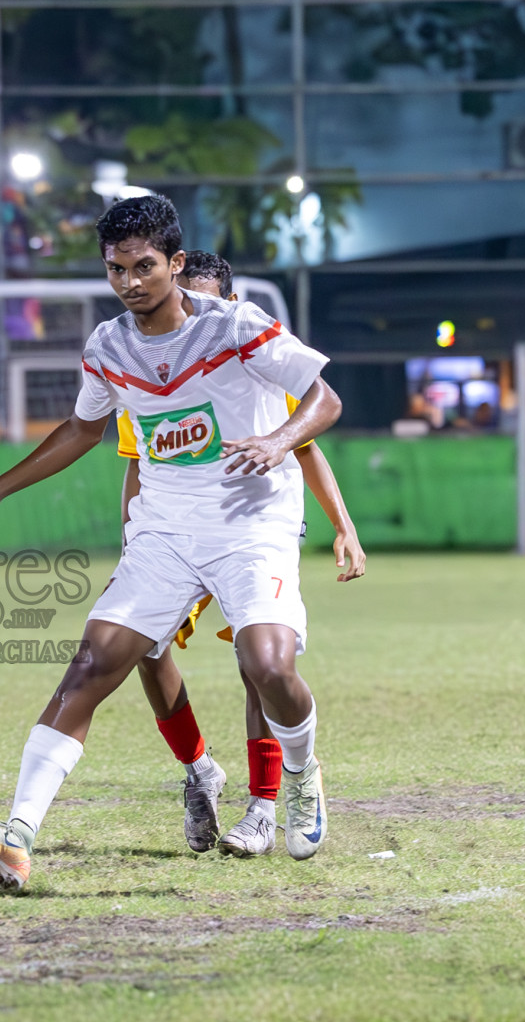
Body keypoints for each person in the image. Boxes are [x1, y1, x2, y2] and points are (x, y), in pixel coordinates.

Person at [0, 194, 341, 890]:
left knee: (269, 664)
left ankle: (303, 774)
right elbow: (79, 430)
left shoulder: (235, 326)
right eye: (117, 269)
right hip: (165, 529)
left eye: (145, 266)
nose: (131, 282)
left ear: (177, 264)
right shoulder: (109, 345)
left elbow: (324, 398)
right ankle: (16, 839)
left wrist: (279, 439)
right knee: (93, 664)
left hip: (251, 523)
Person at [123, 250, 366, 858]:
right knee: (143, 651)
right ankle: (200, 769)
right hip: (174, 533)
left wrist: (344, 526)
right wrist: (134, 540)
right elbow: (138, 465)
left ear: (228, 301)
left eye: (210, 303)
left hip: (248, 530)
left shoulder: (255, 359)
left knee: (256, 662)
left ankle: (264, 807)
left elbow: (307, 445)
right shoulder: (154, 366)